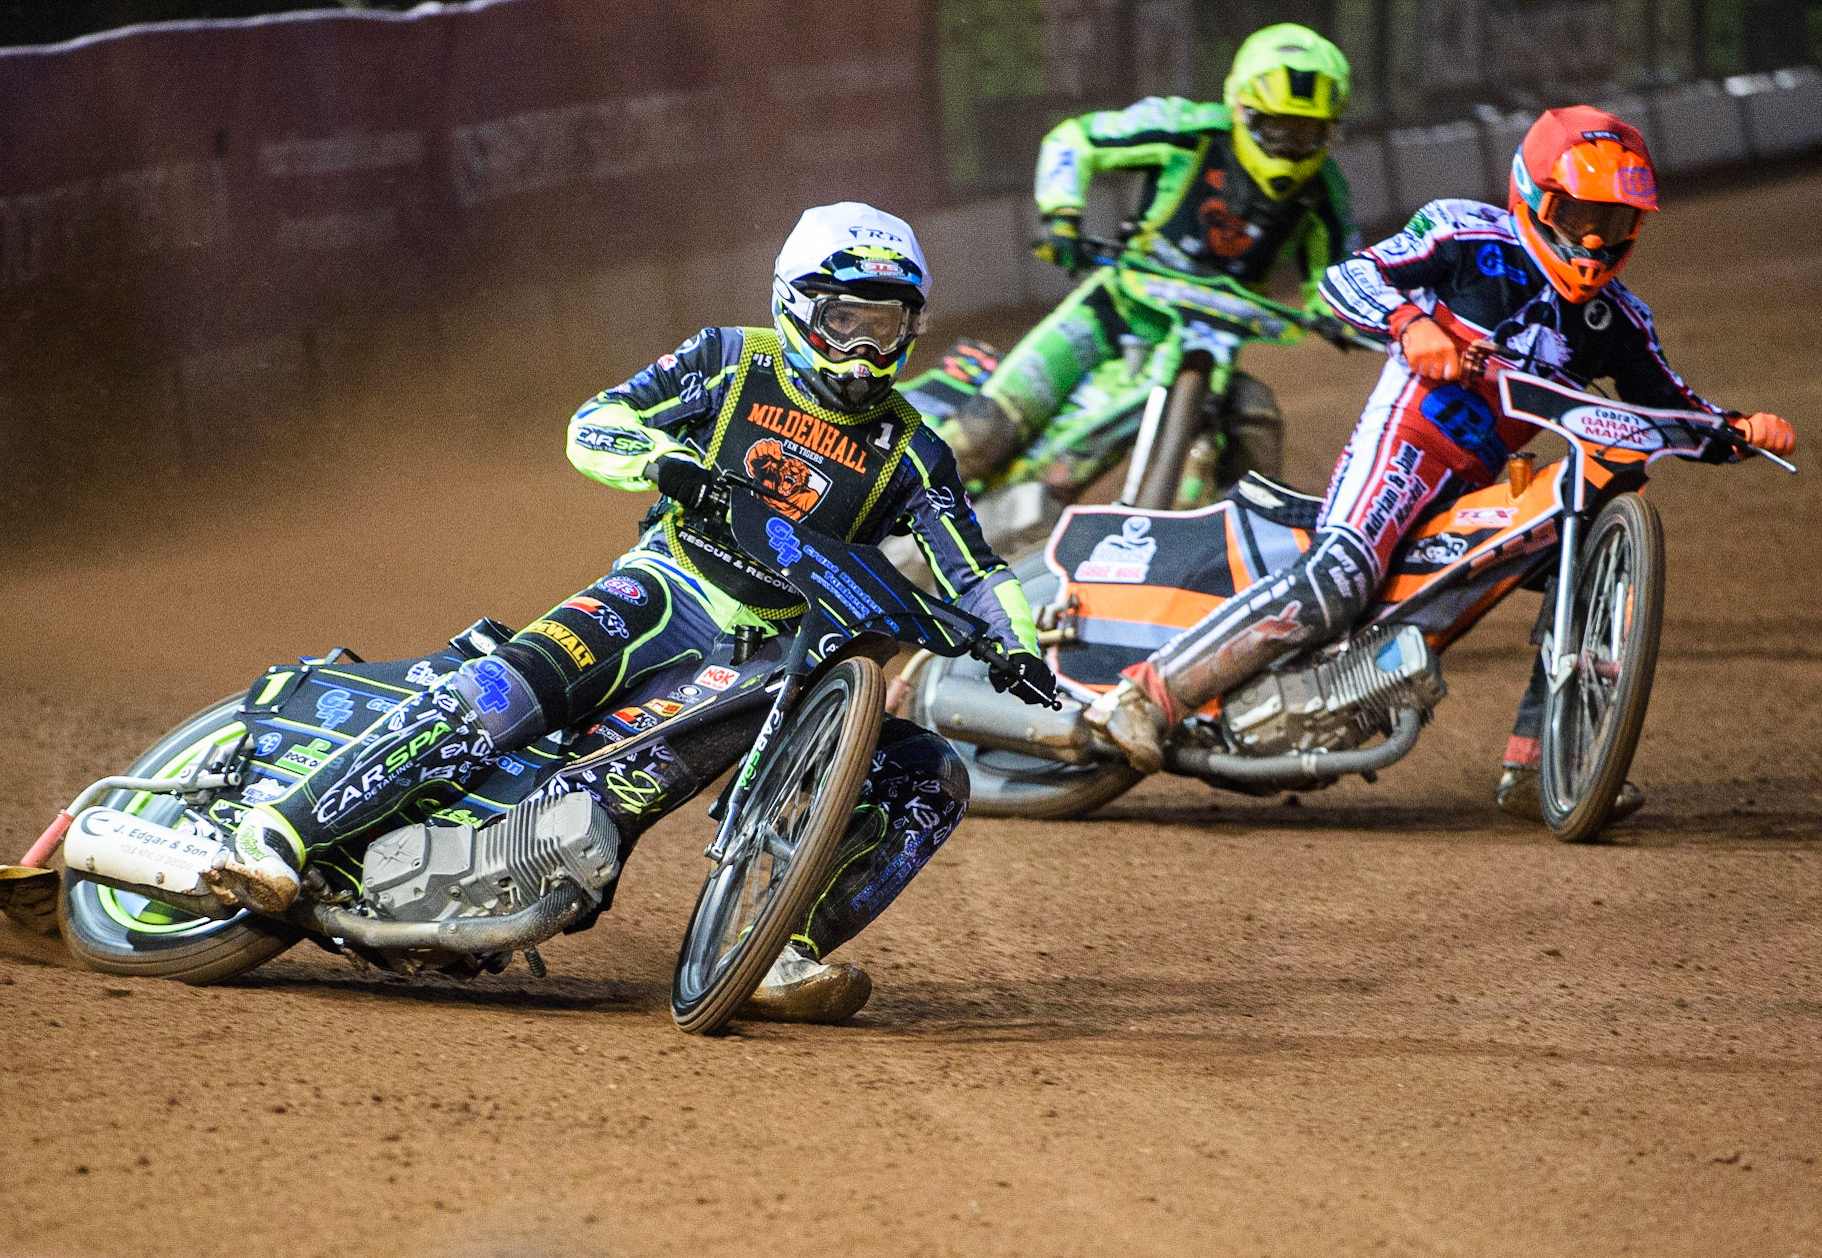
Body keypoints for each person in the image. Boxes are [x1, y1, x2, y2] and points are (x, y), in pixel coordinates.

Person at [206, 202, 1057, 1021]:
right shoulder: (729, 358)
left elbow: (973, 568)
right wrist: (660, 461)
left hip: (777, 653)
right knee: (505, 691)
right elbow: (597, 419)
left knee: (928, 776)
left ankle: (775, 949)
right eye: (845, 322)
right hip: (666, 587)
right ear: (797, 306)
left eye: (886, 325)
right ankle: (285, 832)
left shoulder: (914, 451)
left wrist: (1017, 647)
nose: (865, 349)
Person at [1082, 106, 1795, 821]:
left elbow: (1670, 407)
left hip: (1475, 483)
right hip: (1405, 444)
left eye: (1611, 223)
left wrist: (1737, 429)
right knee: (1340, 577)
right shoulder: (1462, 232)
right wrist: (1410, 323)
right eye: (1578, 215)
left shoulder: (1619, 320)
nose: (1591, 240)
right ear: (1534, 197)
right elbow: (1347, 277)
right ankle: (1144, 697)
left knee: (1574, 566)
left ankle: (1538, 766)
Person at [939, 22, 1357, 502]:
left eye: (1307, 131)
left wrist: (1342, 314)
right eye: (1278, 127)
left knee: (1255, 419)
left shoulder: (1324, 191)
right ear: (1242, 109)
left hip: (1210, 344)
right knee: (980, 435)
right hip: (1112, 311)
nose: (1290, 144)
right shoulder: (1186, 130)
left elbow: (1341, 275)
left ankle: (1233, 539)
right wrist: (1062, 217)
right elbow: (1074, 139)